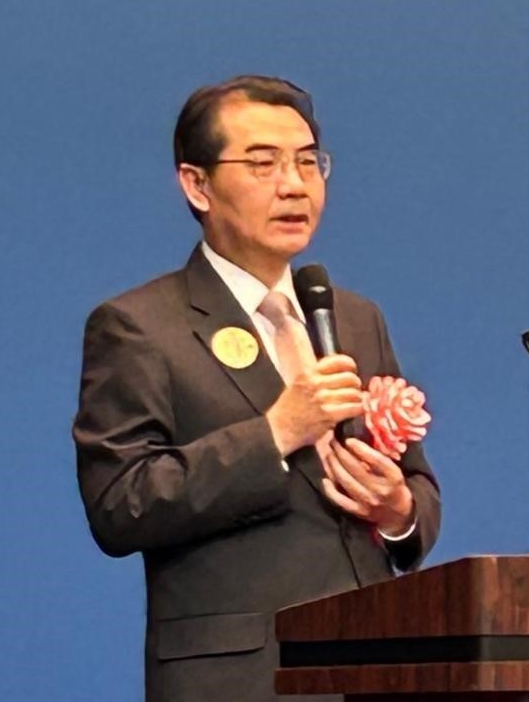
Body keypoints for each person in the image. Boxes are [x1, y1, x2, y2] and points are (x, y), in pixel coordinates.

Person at [73, 75, 440, 702]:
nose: (294, 185)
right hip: (239, 678)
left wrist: (399, 512)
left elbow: (417, 487)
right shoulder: (140, 326)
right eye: (263, 164)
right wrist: (275, 434)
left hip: (374, 665)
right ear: (197, 184)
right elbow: (120, 504)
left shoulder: (354, 318)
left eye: (308, 162)